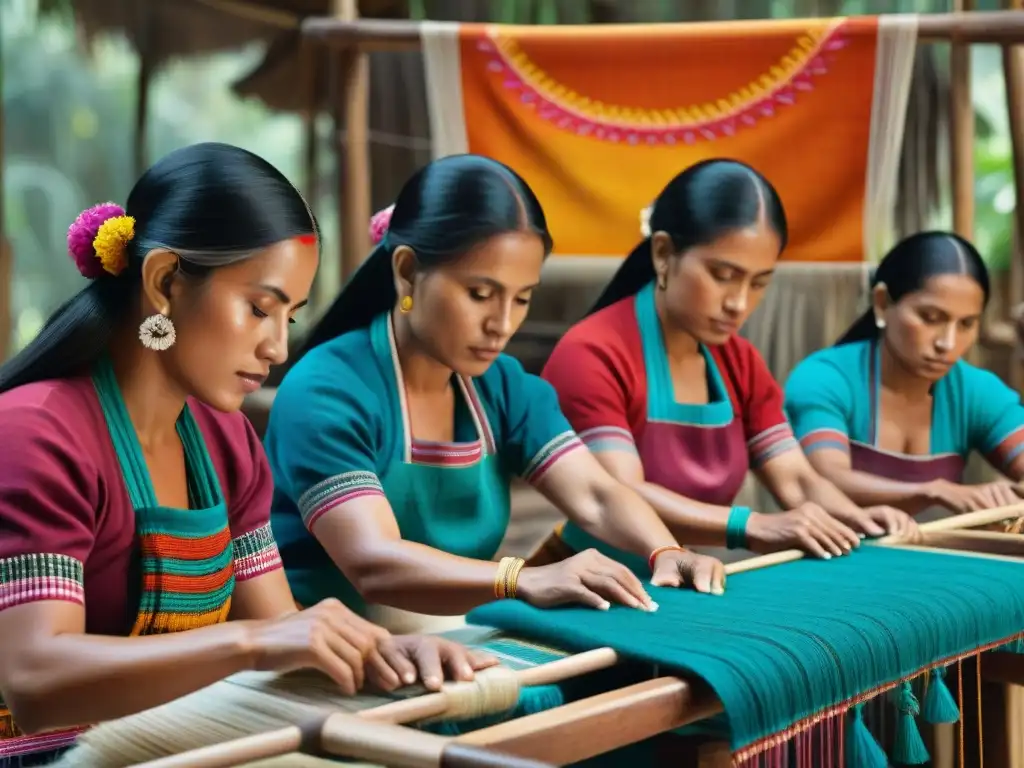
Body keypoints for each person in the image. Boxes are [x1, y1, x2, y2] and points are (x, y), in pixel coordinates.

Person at [0, 143, 494, 765]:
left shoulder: (224, 440)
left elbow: (281, 630)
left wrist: (378, 654)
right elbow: (35, 681)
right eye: (259, 308)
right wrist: (252, 642)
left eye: (290, 315)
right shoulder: (36, 433)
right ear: (163, 283)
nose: (277, 348)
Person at [264, 154, 726, 636]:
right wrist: (520, 577)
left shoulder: (504, 386)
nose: (502, 324)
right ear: (406, 271)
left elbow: (596, 494)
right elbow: (373, 563)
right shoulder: (327, 389)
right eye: (480, 294)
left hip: (456, 639)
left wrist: (666, 551)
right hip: (322, 648)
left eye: (521, 298)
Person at [535, 159, 917, 570]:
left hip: (693, 579)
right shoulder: (591, 353)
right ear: (663, 254)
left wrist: (856, 519)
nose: (738, 302)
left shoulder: (740, 361)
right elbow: (619, 492)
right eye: (722, 275)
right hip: (588, 580)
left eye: (758, 282)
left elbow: (796, 477)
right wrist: (751, 525)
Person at [784, 231, 1024, 517]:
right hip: (834, 556)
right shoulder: (825, 378)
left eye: (966, 324)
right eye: (931, 318)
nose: (947, 343)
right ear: (883, 302)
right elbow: (822, 479)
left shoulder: (976, 391)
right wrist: (932, 490)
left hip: (942, 558)